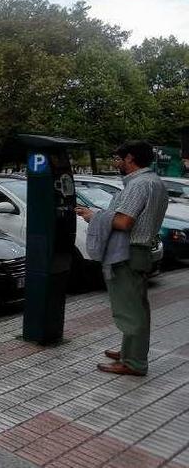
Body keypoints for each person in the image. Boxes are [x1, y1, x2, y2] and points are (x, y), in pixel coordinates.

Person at [76, 141, 168, 376]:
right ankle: (130, 351)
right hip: (141, 251)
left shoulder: (138, 184)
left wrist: (93, 216)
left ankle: (134, 362)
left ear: (130, 158)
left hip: (127, 252)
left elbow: (124, 222)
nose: (116, 163)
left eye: (118, 159)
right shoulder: (155, 182)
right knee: (137, 306)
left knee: (130, 310)